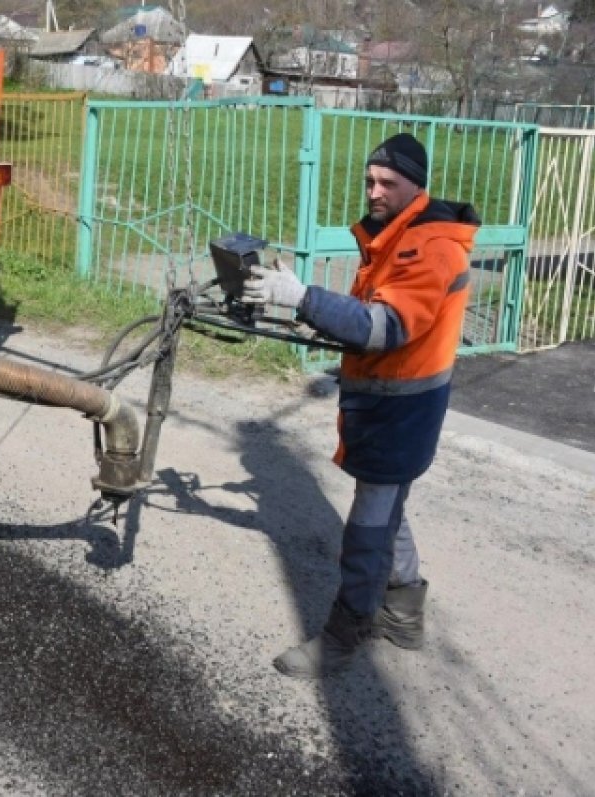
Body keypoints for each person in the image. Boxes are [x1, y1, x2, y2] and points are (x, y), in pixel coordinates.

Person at [241, 133, 481, 678]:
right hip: (389, 405)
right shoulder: (394, 237)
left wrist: (302, 297)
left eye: (387, 183)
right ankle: (405, 613)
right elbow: (369, 313)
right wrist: (310, 310)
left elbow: (384, 327)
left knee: (368, 529)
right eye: (371, 180)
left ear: (417, 186)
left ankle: (343, 637)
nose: (374, 191)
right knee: (387, 508)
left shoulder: (429, 247)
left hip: (403, 411)